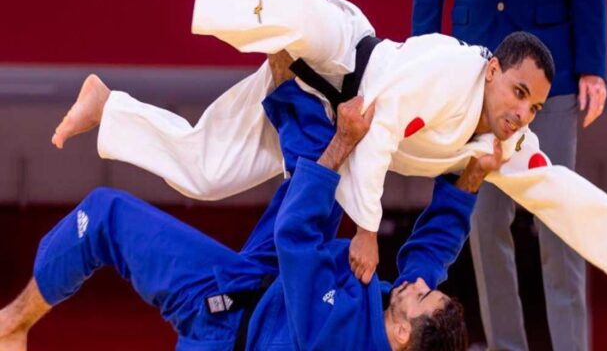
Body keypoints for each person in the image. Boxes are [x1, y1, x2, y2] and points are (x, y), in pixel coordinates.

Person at [51, 0, 607, 289]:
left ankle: (108, 106)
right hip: (346, 57)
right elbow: (379, 133)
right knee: (299, 19)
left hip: (320, 113)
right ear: (493, 70)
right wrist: (364, 230)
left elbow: (561, 195)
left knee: (205, 173)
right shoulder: (451, 71)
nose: (523, 112)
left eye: (535, 107)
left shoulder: (504, 140)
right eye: (519, 93)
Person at [0, 96, 478, 351]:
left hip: (223, 321)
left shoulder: (339, 341)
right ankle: (282, 59)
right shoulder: (409, 314)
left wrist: (344, 146)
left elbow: (296, 239)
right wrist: (471, 181)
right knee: (323, 148)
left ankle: (13, 325)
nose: (415, 287)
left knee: (105, 214)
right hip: (273, 289)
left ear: (401, 334)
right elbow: (432, 253)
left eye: (420, 296)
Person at [412, 0, 607, 348]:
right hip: (477, 62)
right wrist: (424, 57)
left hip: (552, 64)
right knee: (484, 226)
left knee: (560, 226)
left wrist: (592, 65)